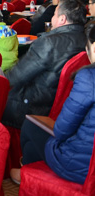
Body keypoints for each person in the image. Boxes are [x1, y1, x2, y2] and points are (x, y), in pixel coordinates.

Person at [10, 23, 95, 185]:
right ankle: (27, 174)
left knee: (30, 126)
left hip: (82, 167)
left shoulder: (88, 77)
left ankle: (28, 177)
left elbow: (61, 130)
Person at [2, 0, 87, 129]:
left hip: (35, 105)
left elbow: (16, 76)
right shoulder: (87, 40)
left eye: (54, 14)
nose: (52, 18)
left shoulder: (48, 43)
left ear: (62, 19)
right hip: (67, 105)